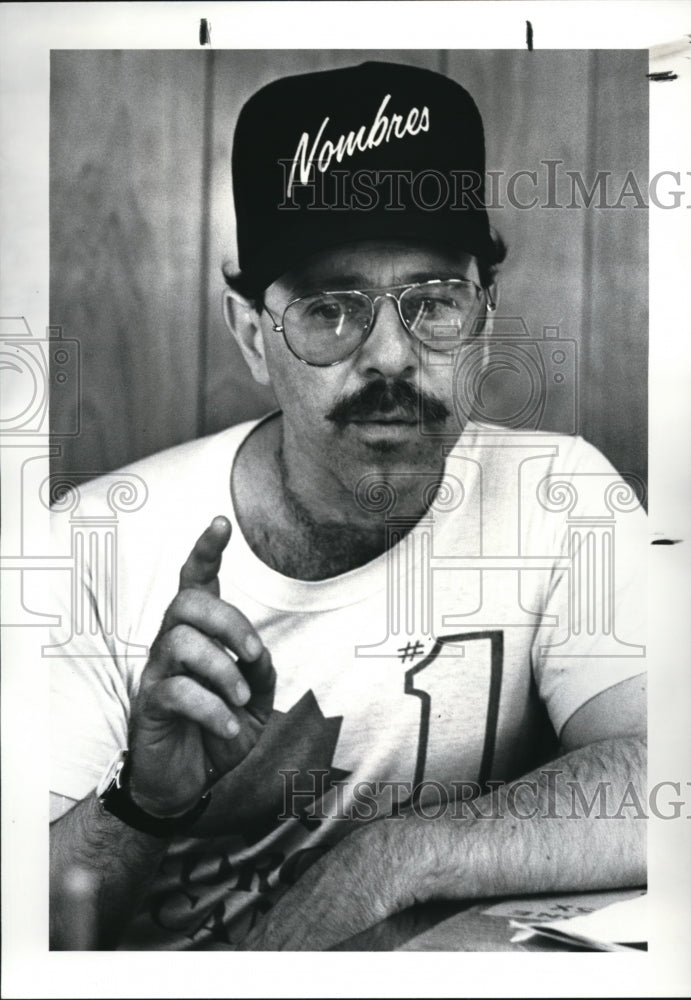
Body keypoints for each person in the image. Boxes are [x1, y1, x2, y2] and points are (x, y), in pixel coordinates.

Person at [49, 61, 647, 951]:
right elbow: (31, 927)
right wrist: (144, 798)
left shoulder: (561, 498)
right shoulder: (91, 546)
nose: (391, 357)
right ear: (255, 335)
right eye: (332, 309)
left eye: (434, 302)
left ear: (484, 315)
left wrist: (388, 862)